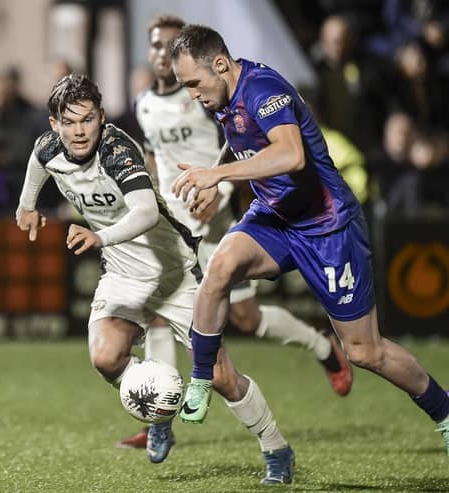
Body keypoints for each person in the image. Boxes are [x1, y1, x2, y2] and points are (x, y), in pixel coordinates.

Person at [166, 24, 449, 458]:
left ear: (220, 64)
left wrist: (217, 175)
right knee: (220, 267)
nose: (192, 95)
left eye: (193, 84)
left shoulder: (264, 88)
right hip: (276, 218)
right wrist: (216, 176)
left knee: (365, 351)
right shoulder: (223, 92)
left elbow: (291, 155)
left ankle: (444, 413)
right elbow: (242, 136)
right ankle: (203, 378)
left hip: (327, 226)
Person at [16, 73, 295, 484]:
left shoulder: (116, 150)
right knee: (105, 357)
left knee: (219, 376)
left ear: (102, 117)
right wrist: (26, 205)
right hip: (123, 274)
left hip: (175, 273)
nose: (79, 131)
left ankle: (276, 448)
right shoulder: (48, 147)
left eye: (87, 120)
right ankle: (160, 409)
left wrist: (99, 236)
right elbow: (38, 163)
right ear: (54, 124)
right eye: (69, 122)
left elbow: (146, 212)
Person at [118, 14, 352, 450]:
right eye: (155, 46)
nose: (161, 54)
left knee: (246, 318)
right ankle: (160, 421)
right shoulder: (144, 104)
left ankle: (321, 347)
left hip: (215, 217)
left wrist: (221, 189)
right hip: (175, 222)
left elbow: (240, 148)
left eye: (169, 46)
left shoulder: (210, 97)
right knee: (158, 311)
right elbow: (155, 162)